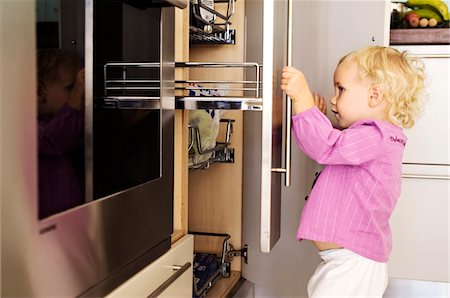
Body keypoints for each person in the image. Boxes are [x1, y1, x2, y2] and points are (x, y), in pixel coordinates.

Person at [280, 46, 425, 297]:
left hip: (353, 265)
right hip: (348, 261)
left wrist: (302, 99)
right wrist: (317, 117)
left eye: (341, 89)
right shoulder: (377, 137)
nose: (334, 98)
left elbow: (326, 146)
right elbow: (338, 147)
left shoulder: (376, 136)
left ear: (374, 95)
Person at [37, 49, 85, 219]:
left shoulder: (70, 120)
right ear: (39, 91)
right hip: (48, 223)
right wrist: (75, 100)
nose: (78, 93)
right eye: (70, 87)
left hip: (70, 216)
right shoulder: (29, 127)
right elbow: (56, 139)